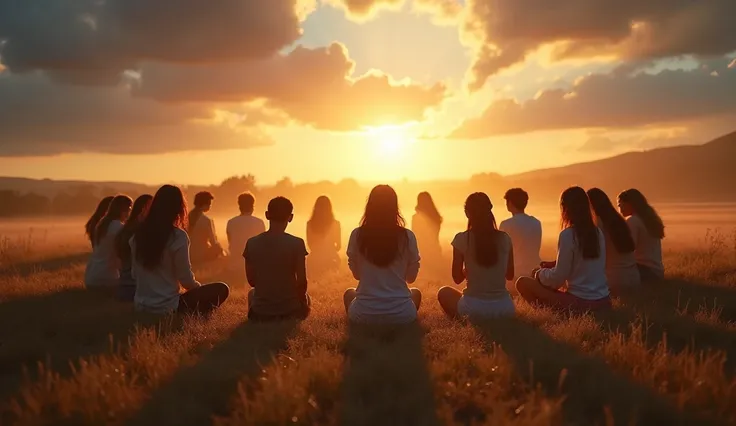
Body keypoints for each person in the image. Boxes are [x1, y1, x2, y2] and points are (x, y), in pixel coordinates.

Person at [131, 185, 229, 315]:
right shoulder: (177, 236)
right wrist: (198, 290)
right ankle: (199, 314)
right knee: (222, 288)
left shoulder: (137, 235)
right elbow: (186, 280)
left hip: (141, 305)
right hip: (169, 306)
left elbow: (134, 274)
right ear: (179, 208)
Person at [516, 187, 611, 312]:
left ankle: (549, 313)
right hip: (604, 301)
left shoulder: (568, 234)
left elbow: (557, 279)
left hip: (581, 303)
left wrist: (539, 273)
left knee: (522, 283)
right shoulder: (597, 232)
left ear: (565, 208)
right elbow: (583, 263)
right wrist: (553, 265)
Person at [344, 185, 422, 324]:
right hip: (402, 314)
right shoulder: (408, 236)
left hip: (363, 314)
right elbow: (411, 278)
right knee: (415, 293)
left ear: (369, 206)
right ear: (395, 208)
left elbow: (357, 276)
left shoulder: (357, 235)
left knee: (349, 294)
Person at [437, 193, 515, 319]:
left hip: (474, 307)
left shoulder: (462, 239)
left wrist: (467, 270)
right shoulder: (505, 238)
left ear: (467, 213)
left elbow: (457, 279)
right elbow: (510, 275)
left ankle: (464, 320)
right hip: (504, 308)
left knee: (444, 292)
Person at [244, 197, 310, 321]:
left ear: (267, 215)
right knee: (308, 298)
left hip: (260, 312)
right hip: (290, 311)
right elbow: (302, 281)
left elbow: (252, 281)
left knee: (251, 293)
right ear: (290, 217)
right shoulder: (297, 243)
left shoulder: (251, 243)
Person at [587, 188, 641, 291]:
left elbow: (591, 258)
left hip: (613, 281)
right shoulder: (619, 220)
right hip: (634, 279)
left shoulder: (598, 224)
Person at [84, 195, 133, 288]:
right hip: (107, 277)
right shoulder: (118, 227)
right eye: (130, 209)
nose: (130, 213)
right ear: (124, 210)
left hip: (90, 276)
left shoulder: (102, 224)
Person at [618, 189, 665, 281]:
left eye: (620, 205)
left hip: (644, 271)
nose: (619, 209)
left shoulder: (633, 221)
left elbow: (629, 248)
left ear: (629, 204)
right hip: (657, 271)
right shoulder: (648, 220)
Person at [499, 188, 542, 287]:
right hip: (534, 272)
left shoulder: (506, 224)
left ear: (509, 203)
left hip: (514, 273)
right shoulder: (536, 223)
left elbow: (501, 251)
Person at [115, 194, 153, 302]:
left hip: (123, 288)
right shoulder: (140, 231)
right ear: (144, 209)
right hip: (136, 289)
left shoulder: (125, 229)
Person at [226, 192, 266, 275]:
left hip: (234, 264)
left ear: (239, 206)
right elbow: (263, 245)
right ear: (252, 206)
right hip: (254, 266)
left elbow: (230, 242)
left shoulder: (231, 222)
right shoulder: (259, 222)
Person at [306, 195, 341, 278]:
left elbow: (310, 245)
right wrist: (330, 250)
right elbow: (339, 246)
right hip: (331, 258)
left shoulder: (310, 224)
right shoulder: (336, 224)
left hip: (314, 259)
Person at [188, 191, 224, 264]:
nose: (210, 206)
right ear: (204, 204)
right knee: (218, 248)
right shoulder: (206, 220)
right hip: (201, 255)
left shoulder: (185, 218)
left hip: (186, 254)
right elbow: (213, 241)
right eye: (209, 204)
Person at [411, 192, 443, 273]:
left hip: (422, 252)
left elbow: (415, 235)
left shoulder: (416, 218)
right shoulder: (436, 218)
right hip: (435, 251)